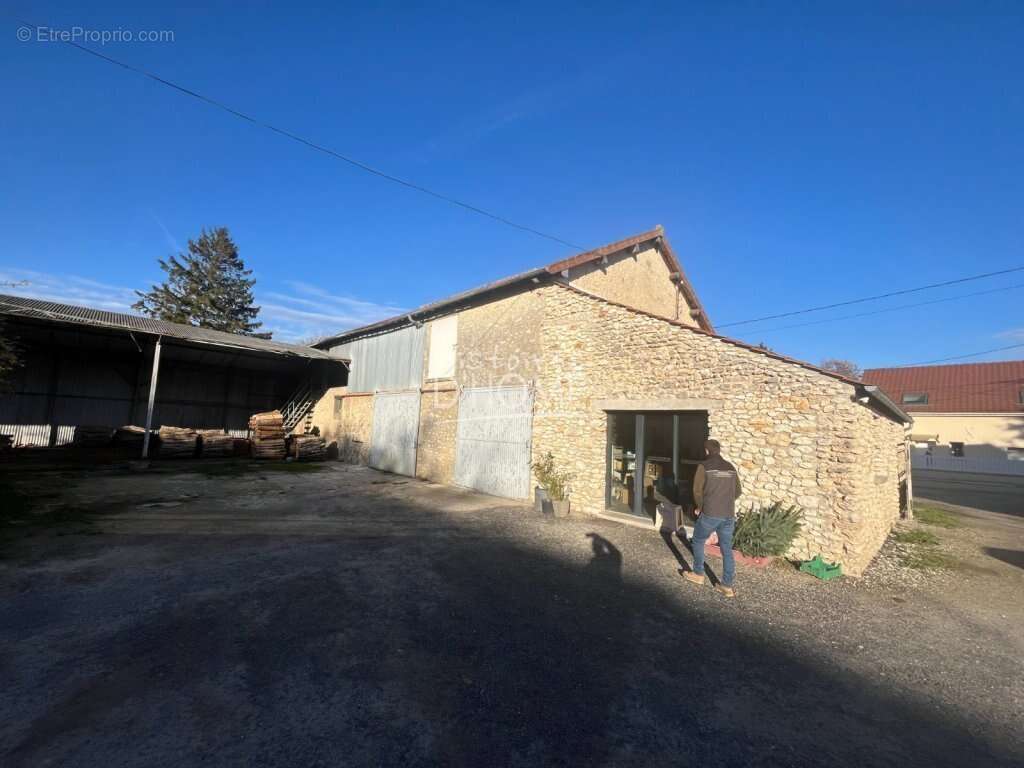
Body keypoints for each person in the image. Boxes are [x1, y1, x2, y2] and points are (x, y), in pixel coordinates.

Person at [683, 439, 742, 597]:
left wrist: (700, 507)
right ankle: (727, 586)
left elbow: (696, 491)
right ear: (719, 450)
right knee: (726, 549)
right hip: (728, 514)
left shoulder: (704, 466)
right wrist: (725, 501)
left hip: (710, 513)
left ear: (706, 451)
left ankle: (698, 574)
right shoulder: (730, 467)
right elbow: (738, 491)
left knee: (698, 540)